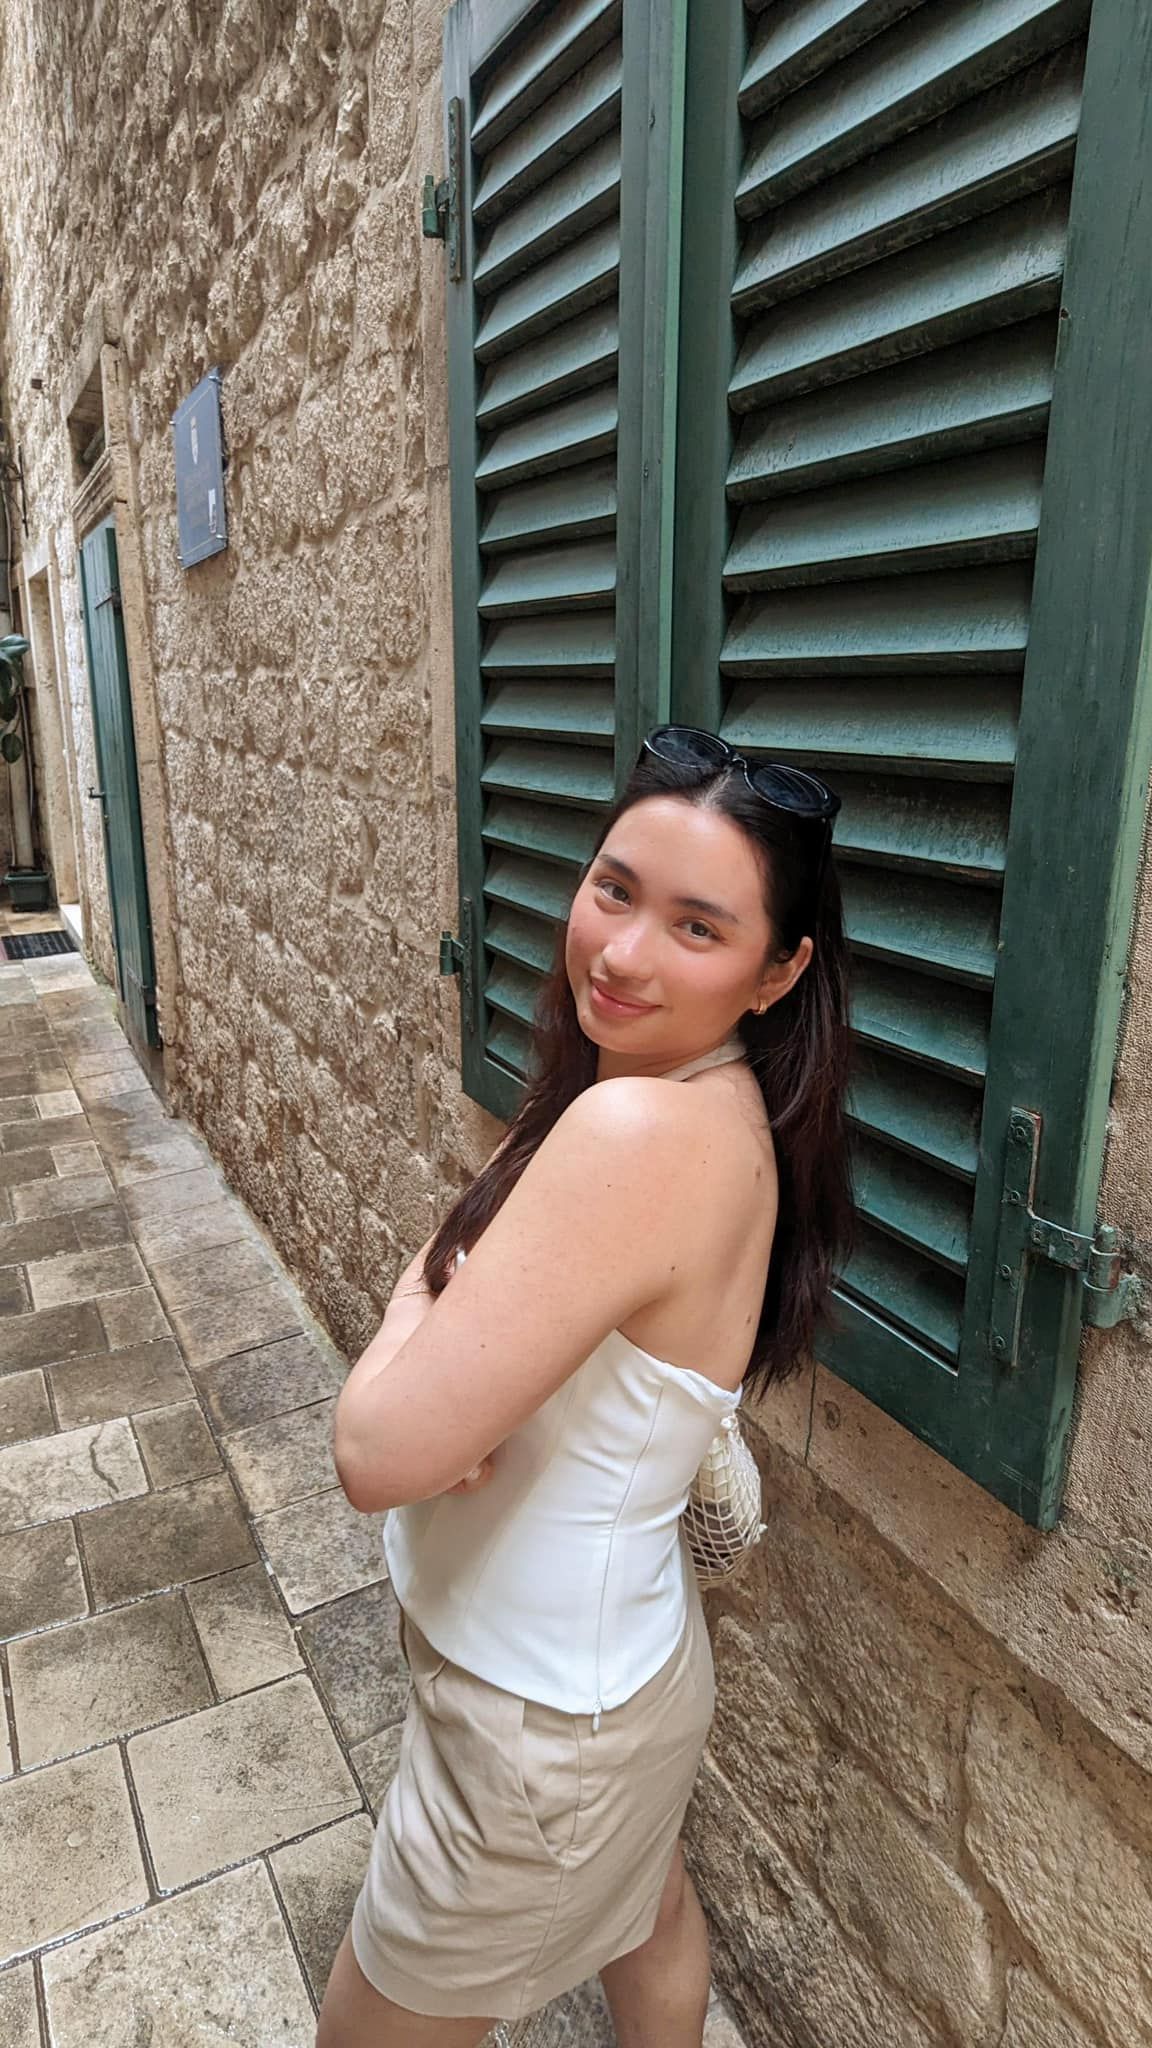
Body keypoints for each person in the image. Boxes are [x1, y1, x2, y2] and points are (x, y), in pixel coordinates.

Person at [316, 725, 854, 2048]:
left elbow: (374, 1451)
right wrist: (439, 1308)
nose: (620, 952)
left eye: (696, 926)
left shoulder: (631, 1128)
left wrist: (414, 1311)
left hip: (536, 1733)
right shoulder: (697, 1092)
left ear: (781, 971)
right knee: (648, 1915)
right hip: (611, 1686)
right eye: (614, 889)